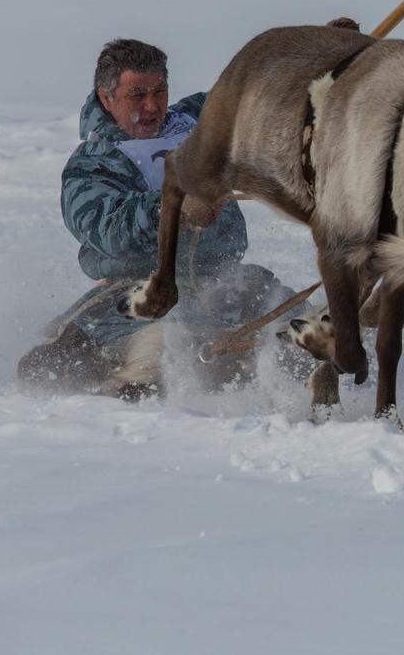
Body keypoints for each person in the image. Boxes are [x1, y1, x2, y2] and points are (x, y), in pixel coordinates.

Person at [17, 38, 294, 397]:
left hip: (226, 281)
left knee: (304, 324)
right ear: (107, 98)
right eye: (137, 94)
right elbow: (109, 228)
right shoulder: (91, 165)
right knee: (164, 346)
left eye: (159, 91)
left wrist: (316, 57)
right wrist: (172, 206)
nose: (152, 106)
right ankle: (127, 400)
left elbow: (257, 97)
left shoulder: (198, 120)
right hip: (141, 293)